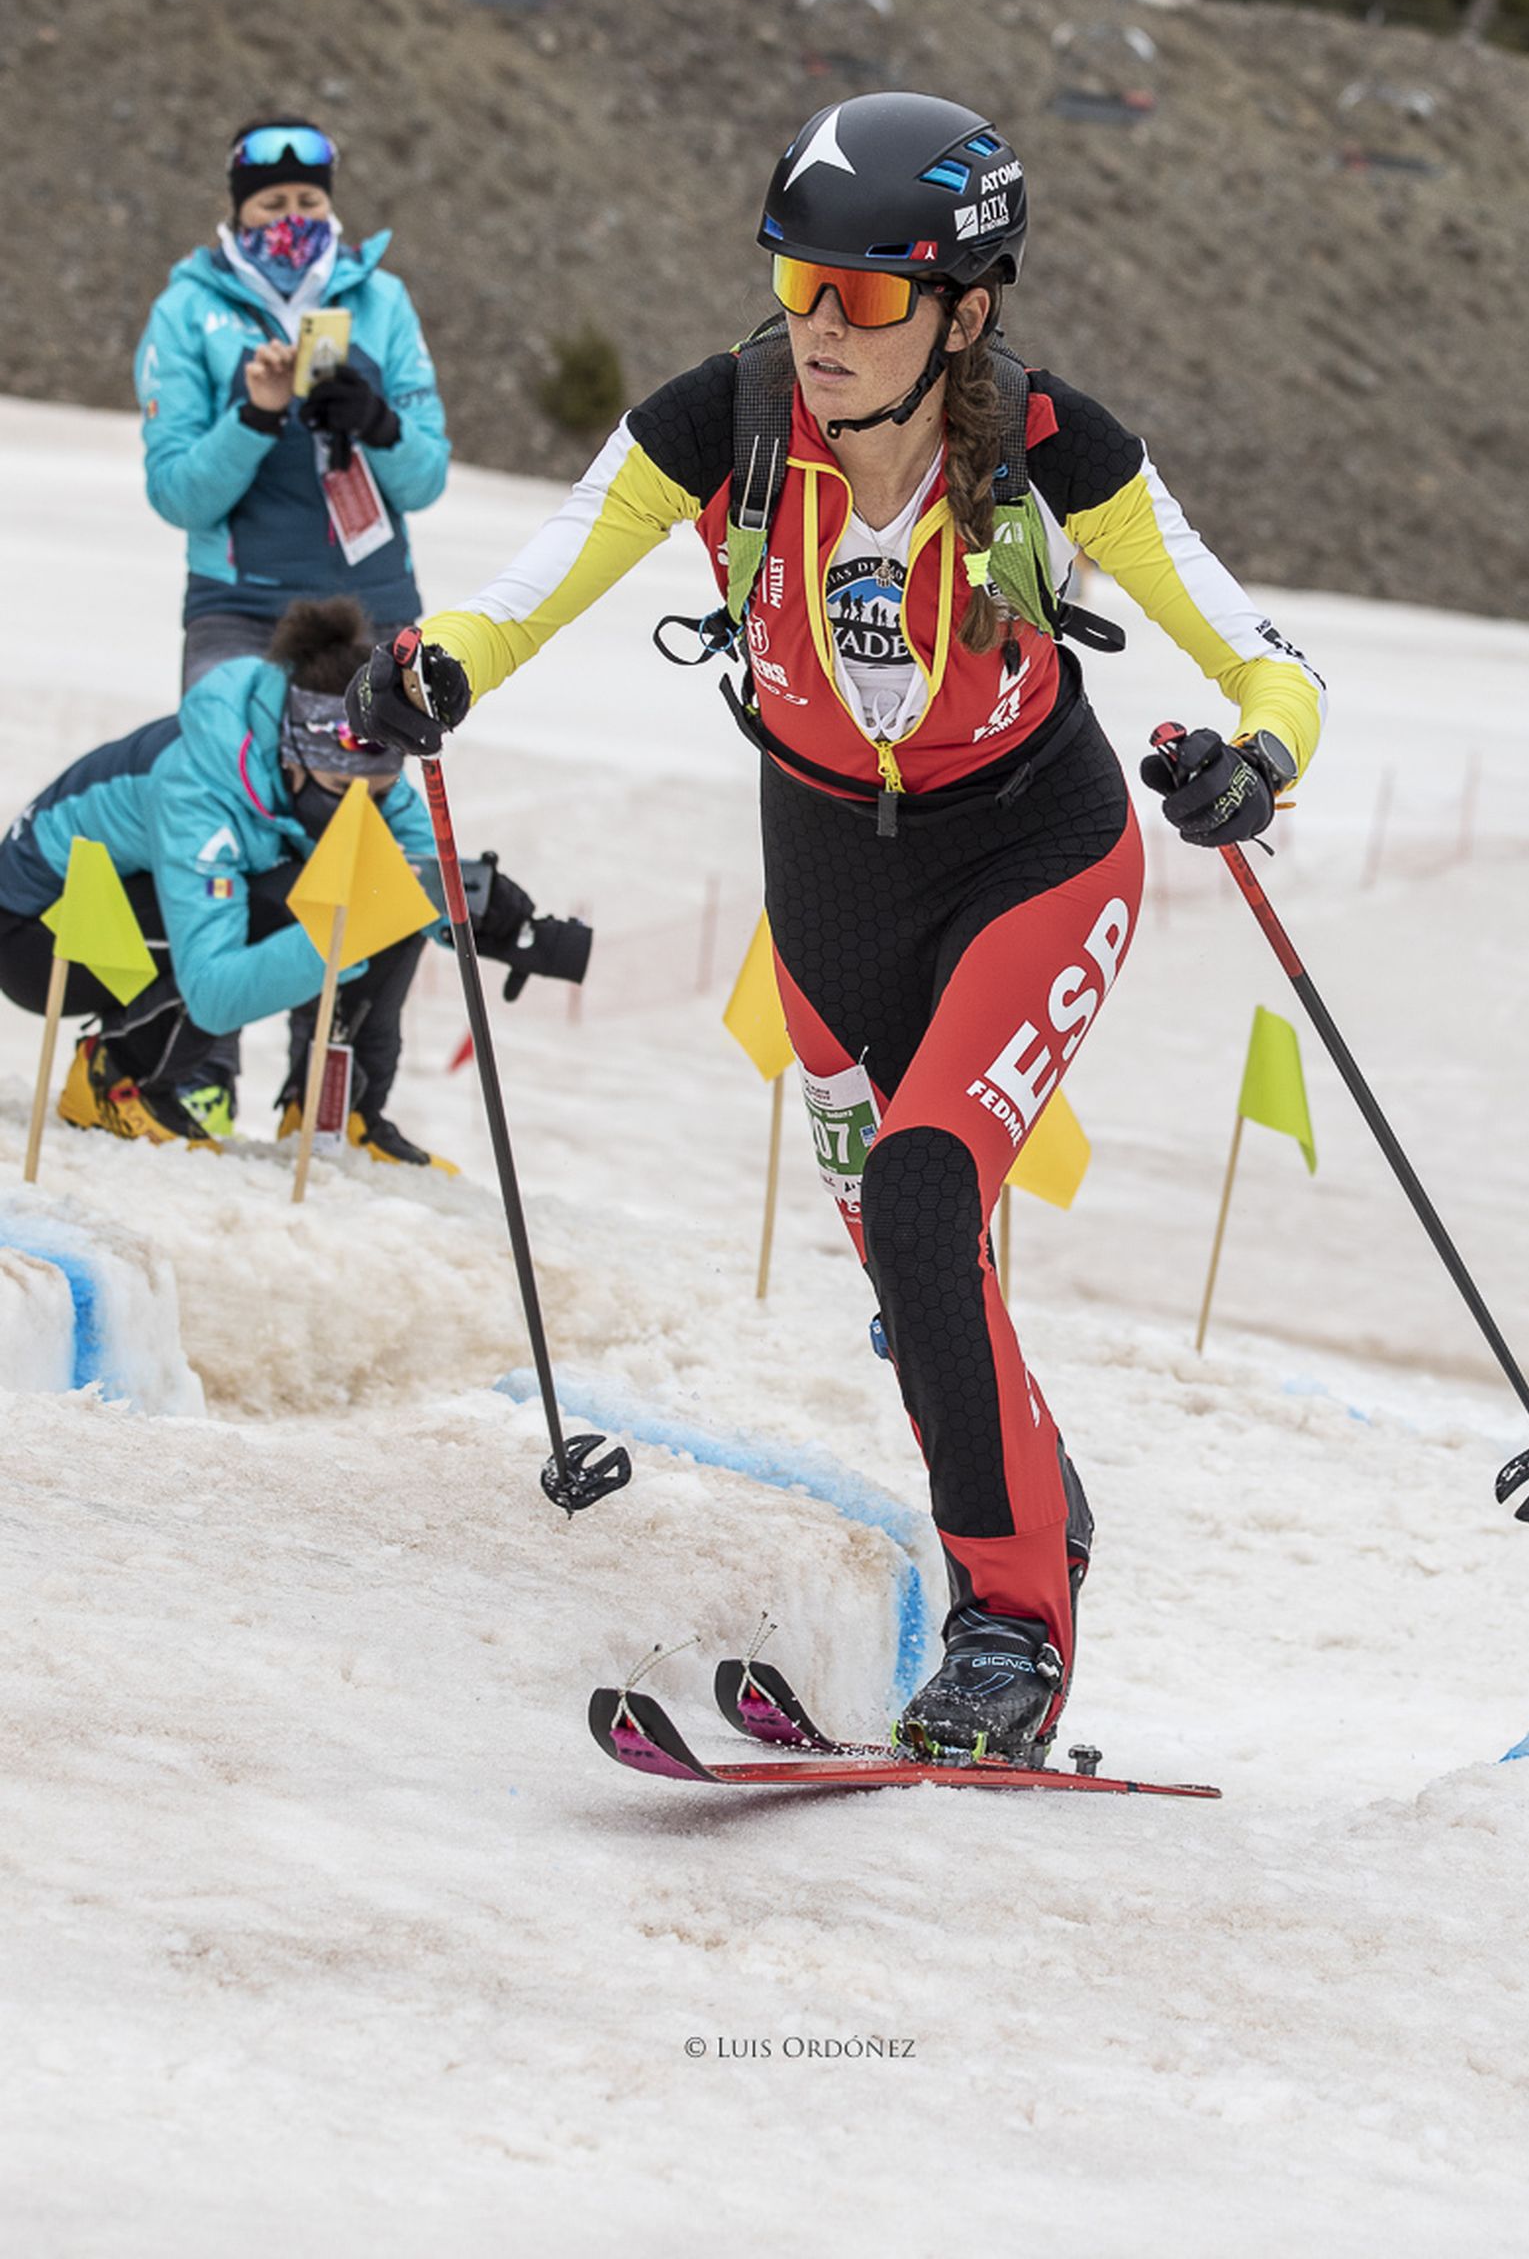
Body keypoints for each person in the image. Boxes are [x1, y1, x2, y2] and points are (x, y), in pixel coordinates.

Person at [344, 93, 1326, 1763]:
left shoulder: (1046, 449)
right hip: (826, 887)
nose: (818, 325)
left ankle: (1011, 1626)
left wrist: (1258, 764)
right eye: (799, 281)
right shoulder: (716, 427)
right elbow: (524, 594)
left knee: (934, 1188)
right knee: (906, 1256)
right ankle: (1036, 1494)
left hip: (1036, 855)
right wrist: (436, 665)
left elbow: (1269, 663)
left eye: (866, 296)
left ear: (966, 309)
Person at [0, 599, 589, 1163]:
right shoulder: (197, 784)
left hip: (122, 907)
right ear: (290, 755)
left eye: (378, 795)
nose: (359, 809)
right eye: (339, 792)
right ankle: (116, 1079)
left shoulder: (346, 765)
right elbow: (213, 988)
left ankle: (334, 1109)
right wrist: (354, 925)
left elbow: (419, 876)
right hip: (41, 937)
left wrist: (503, 920)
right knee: (314, 904)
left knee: (389, 891)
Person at [134, 118, 450, 692]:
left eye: (309, 199)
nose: (292, 218)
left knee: (362, 783)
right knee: (230, 777)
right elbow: (177, 497)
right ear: (237, 209)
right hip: (240, 609)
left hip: (373, 607)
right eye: (271, 202)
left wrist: (376, 422)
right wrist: (255, 416)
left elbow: (425, 481)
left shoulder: (383, 301)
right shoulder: (183, 311)